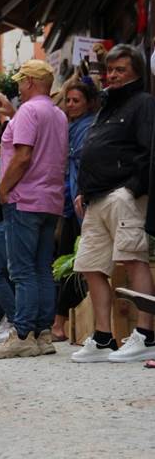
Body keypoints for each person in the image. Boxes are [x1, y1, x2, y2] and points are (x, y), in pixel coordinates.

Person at [71, 45, 155, 363]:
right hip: (96, 197)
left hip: (124, 195)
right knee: (91, 266)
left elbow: (149, 151)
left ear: (135, 71)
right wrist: (84, 190)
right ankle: (104, 337)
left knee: (133, 259)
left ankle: (146, 335)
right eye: (111, 70)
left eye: (121, 69)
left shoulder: (143, 102)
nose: (114, 75)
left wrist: (131, 190)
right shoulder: (107, 103)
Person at [0, 60, 68, 360]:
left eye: (21, 81)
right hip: (50, 200)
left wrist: (3, 188)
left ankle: (22, 334)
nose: (19, 86)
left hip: (25, 198)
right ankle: (43, 334)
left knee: (21, 270)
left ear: (30, 82)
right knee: (42, 268)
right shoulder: (58, 114)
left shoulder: (29, 111)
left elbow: (22, 155)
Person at [50, 79, 98, 342]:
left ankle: (60, 323)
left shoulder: (87, 126)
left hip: (81, 201)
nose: (69, 105)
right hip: (71, 203)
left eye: (75, 100)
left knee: (75, 260)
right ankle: (62, 322)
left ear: (89, 102)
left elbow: (80, 163)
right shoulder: (71, 125)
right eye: (67, 100)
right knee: (67, 260)